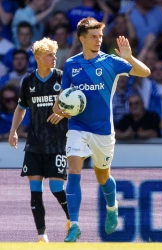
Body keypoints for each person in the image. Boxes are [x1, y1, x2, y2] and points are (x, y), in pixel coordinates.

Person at [52, 17, 150, 242]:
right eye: (93, 37)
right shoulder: (71, 64)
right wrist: (62, 109)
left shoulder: (112, 62)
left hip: (103, 130)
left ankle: (112, 207)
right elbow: (62, 99)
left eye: (100, 36)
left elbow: (145, 72)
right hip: (78, 126)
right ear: (81, 39)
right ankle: (74, 225)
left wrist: (128, 57)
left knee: (102, 176)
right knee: (73, 170)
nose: (98, 40)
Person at [8, 37, 70, 243]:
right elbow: (21, 108)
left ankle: (72, 220)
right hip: (34, 144)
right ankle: (42, 235)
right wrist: (13, 131)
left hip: (57, 143)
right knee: (35, 191)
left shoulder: (62, 78)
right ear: (37, 58)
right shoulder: (28, 81)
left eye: (54, 54)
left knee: (56, 188)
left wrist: (63, 113)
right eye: (49, 55)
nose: (54, 58)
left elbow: (77, 106)